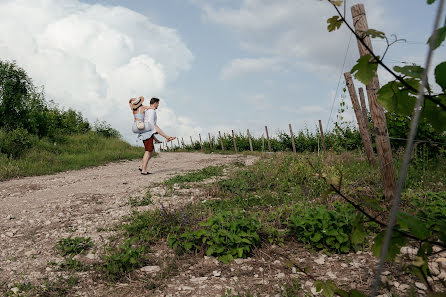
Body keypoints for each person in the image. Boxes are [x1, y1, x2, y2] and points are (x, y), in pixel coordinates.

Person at [137, 97, 175, 175]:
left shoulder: (148, 111)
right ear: (155, 103)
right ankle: (143, 170)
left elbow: (152, 125)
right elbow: (151, 125)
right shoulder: (152, 111)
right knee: (148, 151)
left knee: (152, 151)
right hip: (146, 133)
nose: (158, 106)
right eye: (158, 104)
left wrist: (156, 138)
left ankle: (142, 167)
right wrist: (166, 136)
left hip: (146, 133)